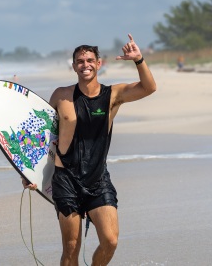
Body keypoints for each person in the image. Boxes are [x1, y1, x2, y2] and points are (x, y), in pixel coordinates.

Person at [23, 34, 156, 265]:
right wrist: (27, 173)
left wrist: (138, 59)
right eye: (80, 61)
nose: (85, 65)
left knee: (110, 240)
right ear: (74, 66)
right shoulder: (61, 95)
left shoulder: (112, 95)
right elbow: (41, 136)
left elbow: (149, 87)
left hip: (97, 178)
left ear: (98, 63)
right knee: (71, 247)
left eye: (89, 60)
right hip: (65, 179)